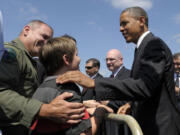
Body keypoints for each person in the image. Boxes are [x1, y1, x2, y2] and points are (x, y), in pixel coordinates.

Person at [56, 7, 180, 135]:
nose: (121, 29)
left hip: (161, 127)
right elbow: (149, 87)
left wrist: (95, 84)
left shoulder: (153, 45)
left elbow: (144, 86)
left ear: (141, 21)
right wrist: (130, 105)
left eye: (124, 23)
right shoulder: (141, 48)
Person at [0, 20, 85, 135]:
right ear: (26, 30)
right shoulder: (11, 53)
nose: (45, 44)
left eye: (48, 40)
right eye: (44, 36)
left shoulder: (29, 60)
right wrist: (43, 109)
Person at [31, 36, 113, 135]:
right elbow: (84, 133)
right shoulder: (68, 90)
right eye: (76, 55)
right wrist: (99, 113)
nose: (79, 59)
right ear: (66, 59)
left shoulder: (42, 86)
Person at [105, 49, 131, 135]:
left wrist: (108, 102)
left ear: (121, 60)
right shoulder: (109, 79)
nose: (108, 62)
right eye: (106, 60)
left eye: (111, 59)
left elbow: (129, 100)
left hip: (123, 126)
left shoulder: (129, 75)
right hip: (110, 125)